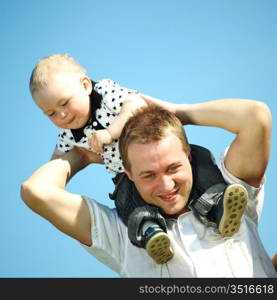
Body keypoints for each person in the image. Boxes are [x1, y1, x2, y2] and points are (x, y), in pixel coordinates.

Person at [28, 53, 247, 264]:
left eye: (65, 103)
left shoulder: (104, 92)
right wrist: (70, 163)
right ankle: (149, 232)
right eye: (51, 113)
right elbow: (56, 161)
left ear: (85, 86)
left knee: (199, 162)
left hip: (159, 149)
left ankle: (218, 206)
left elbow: (135, 105)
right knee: (125, 198)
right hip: (128, 174)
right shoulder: (67, 135)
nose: (62, 115)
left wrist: (110, 133)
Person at [21, 101, 276, 277]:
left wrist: (178, 112)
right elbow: (36, 191)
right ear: (129, 174)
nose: (166, 185)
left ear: (188, 156)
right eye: (149, 175)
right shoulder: (118, 234)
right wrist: (80, 156)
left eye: (173, 167)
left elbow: (256, 116)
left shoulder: (230, 190)